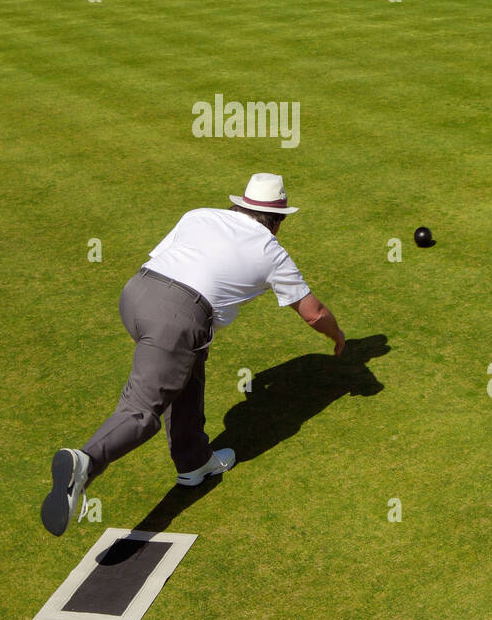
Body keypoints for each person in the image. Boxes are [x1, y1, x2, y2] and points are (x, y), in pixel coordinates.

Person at [39, 173, 345, 536]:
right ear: (278, 221)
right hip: (176, 318)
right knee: (142, 409)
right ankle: (86, 462)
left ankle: (195, 462)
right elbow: (314, 313)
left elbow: (172, 261)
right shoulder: (271, 250)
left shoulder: (198, 214)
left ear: (241, 204)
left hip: (137, 294)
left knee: (189, 361)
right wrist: (338, 335)